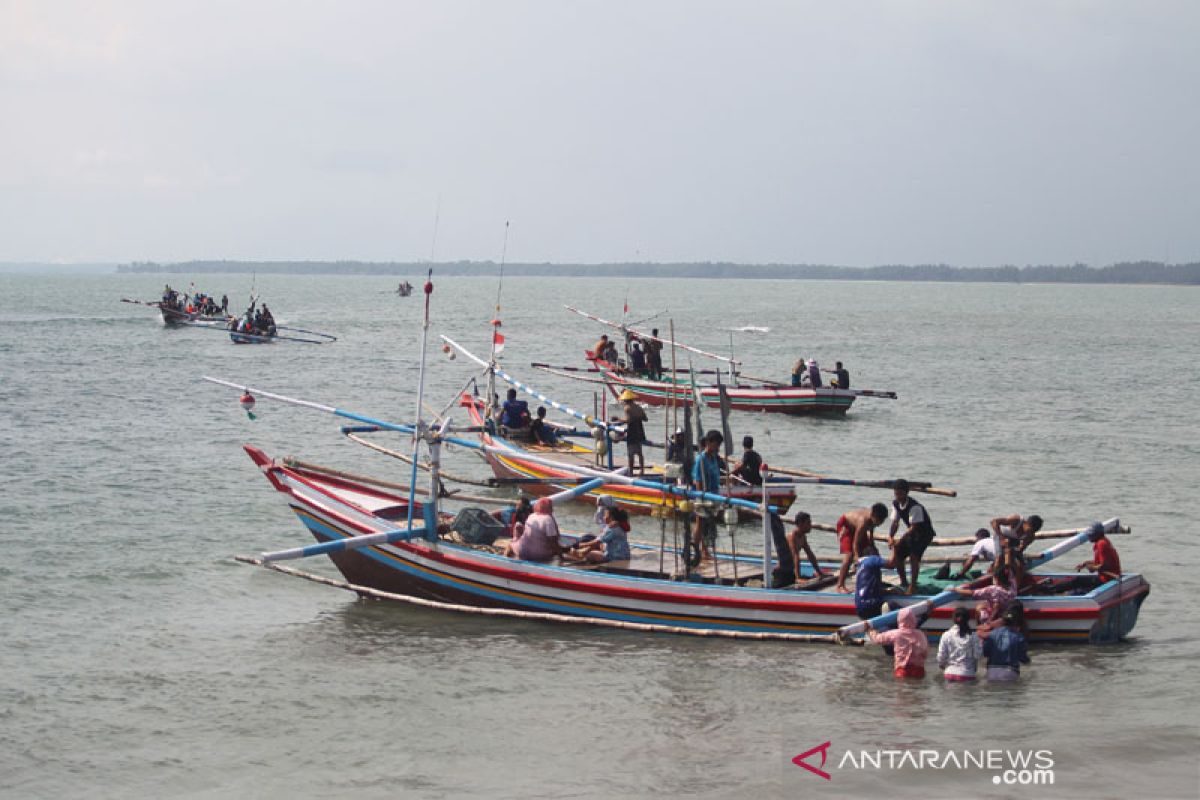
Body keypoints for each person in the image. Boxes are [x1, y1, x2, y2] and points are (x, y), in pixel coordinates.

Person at [884, 479, 937, 595]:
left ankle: (912, 586)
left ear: (906, 493)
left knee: (914, 557)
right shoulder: (896, 504)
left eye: (900, 493)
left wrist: (900, 540)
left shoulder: (915, 506)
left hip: (924, 534)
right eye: (896, 493)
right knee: (898, 552)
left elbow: (913, 527)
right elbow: (895, 523)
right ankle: (903, 582)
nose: (898, 496)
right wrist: (890, 537)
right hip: (912, 533)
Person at [834, 503, 889, 593]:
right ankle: (840, 585)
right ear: (873, 516)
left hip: (856, 530)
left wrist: (873, 547)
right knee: (850, 555)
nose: (880, 523)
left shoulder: (873, 520)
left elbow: (871, 534)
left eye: (882, 521)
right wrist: (856, 557)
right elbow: (855, 543)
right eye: (879, 521)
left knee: (873, 553)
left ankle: (877, 582)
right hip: (846, 526)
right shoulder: (863, 522)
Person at [690, 430, 724, 563]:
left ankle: (705, 549)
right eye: (716, 444)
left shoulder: (714, 458)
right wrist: (701, 498)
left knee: (709, 523)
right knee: (700, 523)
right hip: (703, 496)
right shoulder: (701, 459)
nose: (717, 448)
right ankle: (700, 549)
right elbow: (697, 480)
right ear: (709, 443)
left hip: (714, 495)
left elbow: (716, 476)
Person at [866, 607, 929, 679]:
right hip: (919, 670)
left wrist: (870, 631)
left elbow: (877, 639)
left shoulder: (896, 634)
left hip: (902, 670)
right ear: (914, 619)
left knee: (901, 688)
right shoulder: (921, 634)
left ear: (899, 620)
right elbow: (925, 653)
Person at [990, 513, 1043, 585]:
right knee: (999, 558)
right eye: (1029, 530)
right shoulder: (1016, 520)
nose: (1028, 532)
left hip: (1014, 541)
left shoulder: (1031, 536)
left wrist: (1015, 552)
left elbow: (1020, 549)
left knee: (1021, 566)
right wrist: (1002, 538)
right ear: (1026, 523)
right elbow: (994, 522)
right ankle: (995, 583)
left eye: (1032, 532)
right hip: (1000, 536)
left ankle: (1015, 587)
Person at [982, 608, 1030, 681]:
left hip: (991, 672)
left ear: (1003, 621)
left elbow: (985, 652)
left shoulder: (991, 634)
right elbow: (1023, 658)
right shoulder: (1019, 637)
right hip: (1010, 672)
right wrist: (1028, 661)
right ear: (1015, 622)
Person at [938, 607, 984, 682]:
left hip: (949, 673)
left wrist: (942, 664)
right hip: (967, 674)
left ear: (953, 619)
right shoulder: (974, 636)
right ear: (968, 619)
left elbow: (941, 656)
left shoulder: (946, 635)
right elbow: (978, 655)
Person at [614, 389, 647, 475]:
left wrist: (618, 419)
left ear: (625, 400)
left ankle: (631, 472)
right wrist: (637, 417)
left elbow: (628, 420)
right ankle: (642, 470)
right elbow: (645, 419)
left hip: (632, 430)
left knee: (631, 453)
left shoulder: (627, 408)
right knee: (639, 452)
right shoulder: (639, 407)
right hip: (640, 429)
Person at [787, 511, 825, 585]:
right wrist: (797, 578)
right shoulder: (792, 536)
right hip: (786, 569)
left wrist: (819, 572)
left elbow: (810, 554)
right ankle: (797, 577)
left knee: (815, 577)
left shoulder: (803, 536)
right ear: (800, 524)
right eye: (808, 523)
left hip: (793, 569)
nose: (810, 525)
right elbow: (795, 556)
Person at [854, 553, 886, 620]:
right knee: (892, 605)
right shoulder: (873, 559)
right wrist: (894, 547)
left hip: (859, 606)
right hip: (871, 605)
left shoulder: (859, 564)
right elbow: (892, 564)